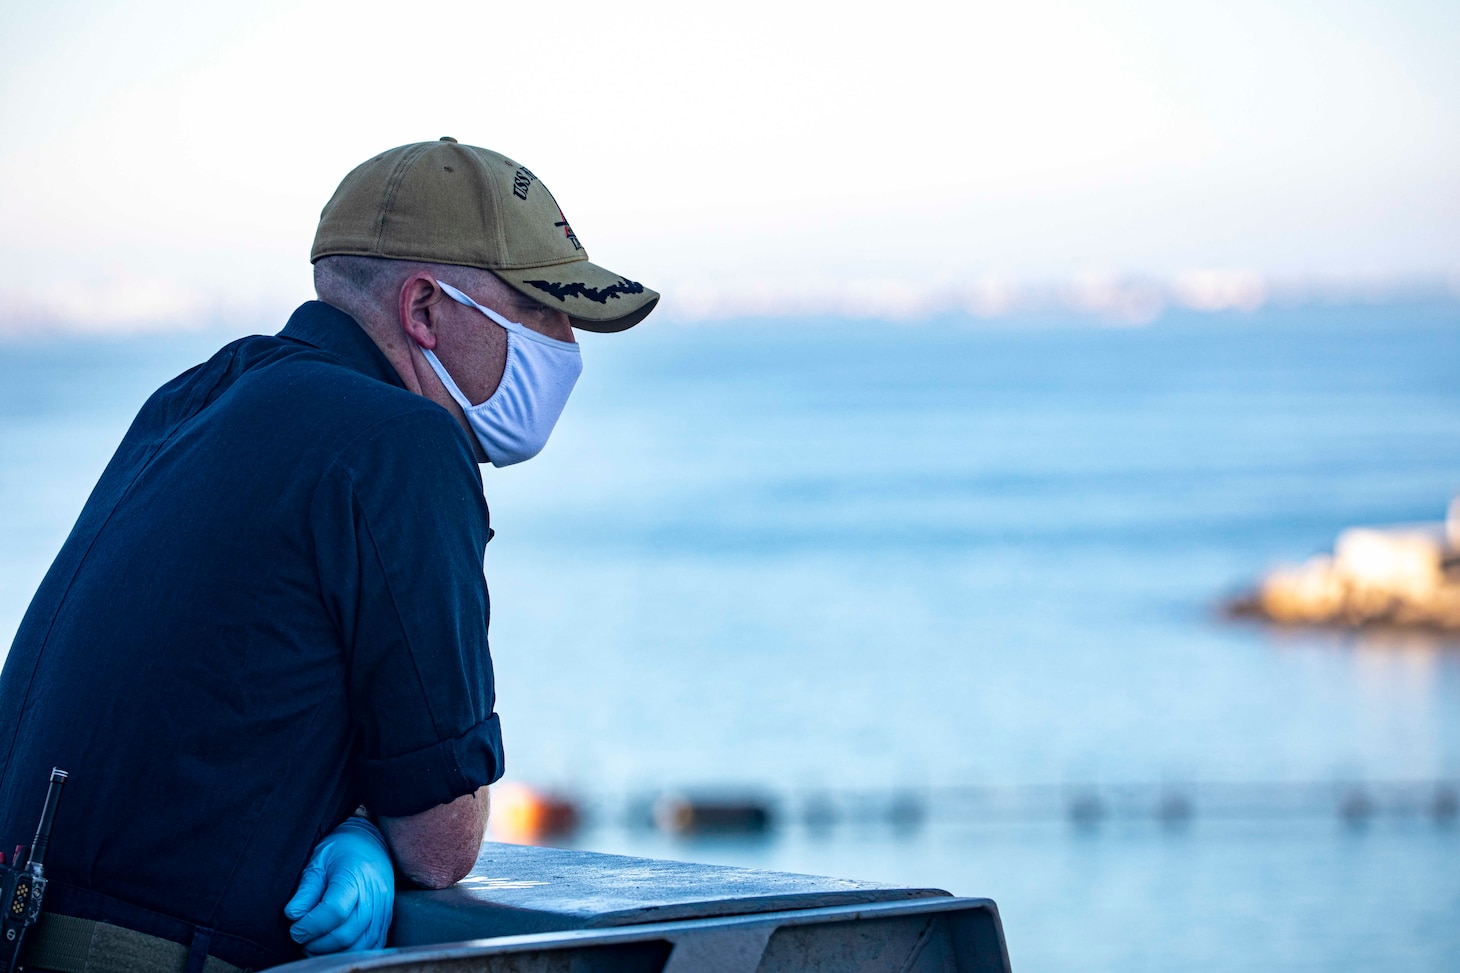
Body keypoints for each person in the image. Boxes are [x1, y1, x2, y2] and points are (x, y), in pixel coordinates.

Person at [0, 138, 657, 971]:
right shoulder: (401, 445)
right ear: (423, 310)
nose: (566, 347)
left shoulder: (196, 398)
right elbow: (442, 838)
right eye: (542, 313)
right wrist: (374, 833)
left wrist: (346, 814)